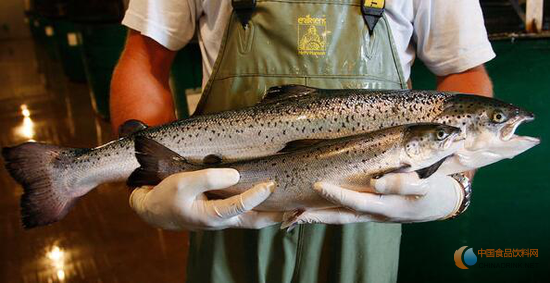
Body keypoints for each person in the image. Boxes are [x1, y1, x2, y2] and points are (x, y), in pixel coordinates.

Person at [111, 1, 494, 282]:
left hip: (368, 217)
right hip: (226, 214)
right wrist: (150, 179)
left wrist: (457, 184)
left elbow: (462, 73)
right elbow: (144, 59)